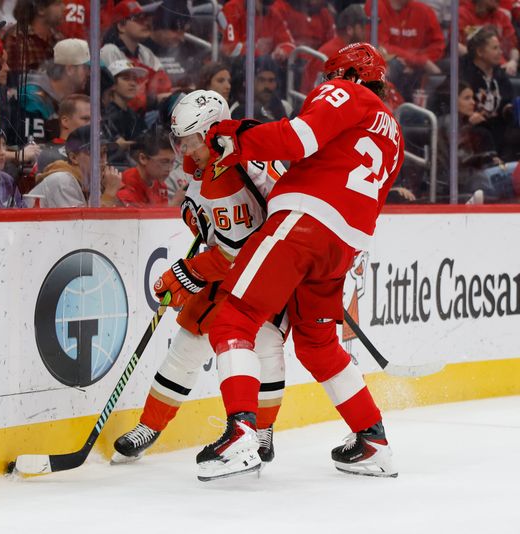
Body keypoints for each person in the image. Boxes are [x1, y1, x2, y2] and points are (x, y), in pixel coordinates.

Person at [195, 43, 403, 481]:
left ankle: (241, 432)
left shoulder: (348, 93)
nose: (326, 84)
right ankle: (373, 440)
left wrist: (237, 137)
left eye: (332, 76)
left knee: (233, 318)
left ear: (347, 74)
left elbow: (297, 139)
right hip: (342, 245)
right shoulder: (394, 133)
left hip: (304, 224)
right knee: (317, 342)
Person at [112, 90, 288, 465]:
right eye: (181, 140)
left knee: (265, 347)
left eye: (191, 139)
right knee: (187, 347)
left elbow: (236, 251)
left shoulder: (224, 176)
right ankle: (150, 426)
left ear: (212, 132)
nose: (184, 148)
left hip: (263, 271)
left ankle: (262, 432)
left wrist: (187, 272)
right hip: (240, 266)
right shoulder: (213, 163)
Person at [100, 0, 173, 111]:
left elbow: (163, 86)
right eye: (137, 18)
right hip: (117, 114)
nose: (145, 23)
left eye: (145, 18)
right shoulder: (108, 51)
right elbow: (119, 96)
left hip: (142, 113)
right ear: (121, 26)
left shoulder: (145, 53)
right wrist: (152, 98)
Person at [364, 0, 445, 100]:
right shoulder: (376, 5)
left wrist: (415, 62)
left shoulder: (424, 10)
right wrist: (419, 61)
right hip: (391, 68)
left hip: (417, 70)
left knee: (449, 67)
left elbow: (438, 44)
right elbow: (381, 46)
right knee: (395, 66)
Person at [460, 26, 518, 161]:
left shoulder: (499, 74)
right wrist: (466, 117)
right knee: (482, 134)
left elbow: (506, 101)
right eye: (495, 48)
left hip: (499, 127)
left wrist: (509, 108)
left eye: (499, 47)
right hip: (474, 128)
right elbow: (449, 104)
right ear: (480, 51)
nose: (500, 52)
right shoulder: (463, 73)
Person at [27, 124, 122, 207]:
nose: (103, 159)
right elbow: (85, 226)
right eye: (95, 152)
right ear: (74, 158)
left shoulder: (92, 183)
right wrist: (109, 193)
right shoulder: (62, 180)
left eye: (104, 152)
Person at [103, 58, 149, 165]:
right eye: (126, 78)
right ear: (113, 84)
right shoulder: (107, 115)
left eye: (135, 79)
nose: (133, 83)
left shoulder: (134, 115)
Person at [116, 132, 174, 207]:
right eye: (164, 162)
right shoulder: (126, 186)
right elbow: (135, 217)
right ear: (143, 158)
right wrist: (174, 204)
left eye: (172, 162)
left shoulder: (161, 185)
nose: (169, 168)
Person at [36, 93, 91, 172]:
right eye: (86, 119)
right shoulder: (50, 155)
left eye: (97, 120)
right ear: (65, 121)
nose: (93, 124)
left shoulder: (98, 152)